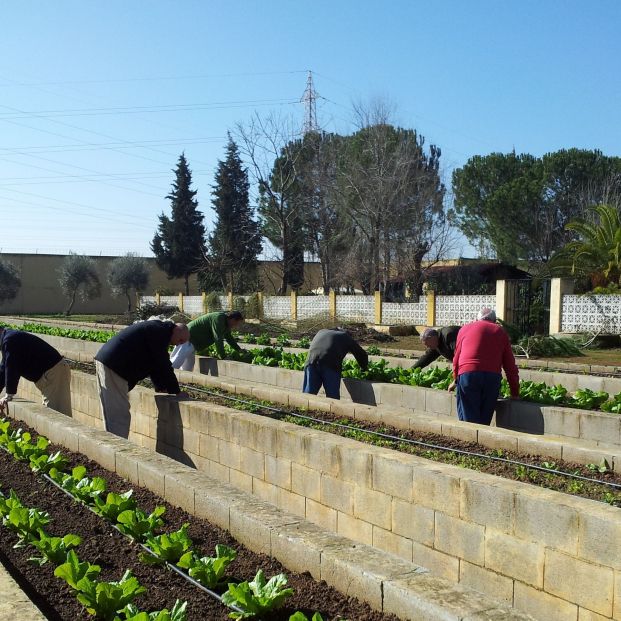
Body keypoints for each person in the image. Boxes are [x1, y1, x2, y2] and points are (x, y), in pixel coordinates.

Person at [94, 320, 189, 437]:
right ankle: (118, 450)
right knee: (118, 414)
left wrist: (161, 387)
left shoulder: (158, 330)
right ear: (176, 330)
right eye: (180, 340)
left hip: (110, 362)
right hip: (115, 365)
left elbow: (154, 364)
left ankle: (114, 446)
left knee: (113, 412)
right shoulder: (160, 332)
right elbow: (163, 363)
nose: (178, 344)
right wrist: (176, 391)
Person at [449, 307, 519, 425]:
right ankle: (481, 440)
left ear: (477, 319)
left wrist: (455, 380)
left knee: (468, 418)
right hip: (492, 378)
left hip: (468, 375)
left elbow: (457, 358)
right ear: (494, 320)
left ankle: (471, 441)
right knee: (484, 418)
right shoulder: (500, 331)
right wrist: (514, 392)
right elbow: (510, 365)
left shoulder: (465, 329)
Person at [0, 327, 72, 416]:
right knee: (53, 414)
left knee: (56, 415)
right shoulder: (8, 339)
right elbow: (3, 369)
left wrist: (9, 395)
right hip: (50, 374)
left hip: (54, 373)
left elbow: (11, 367)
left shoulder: (10, 340)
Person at [303, 328, 369, 400]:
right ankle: (333, 410)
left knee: (308, 394)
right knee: (332, 397)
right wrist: (364, 368)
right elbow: (361, 353)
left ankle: (303, 408)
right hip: (330, 364)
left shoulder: (321, 331)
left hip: (311, 361)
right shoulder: (345, 336)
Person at [170, 311, 244, 372]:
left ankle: (182, 381)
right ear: (233, 319)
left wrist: (239, 350)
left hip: (194, 343)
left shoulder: (226, 325)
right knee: (177, 359)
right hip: (188, 338)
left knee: (188, 366)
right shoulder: (219, 318)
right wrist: (223, 356)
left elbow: (229, 338)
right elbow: (217, 338)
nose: (236, 326)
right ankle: (165, 376)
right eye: (236, 323)